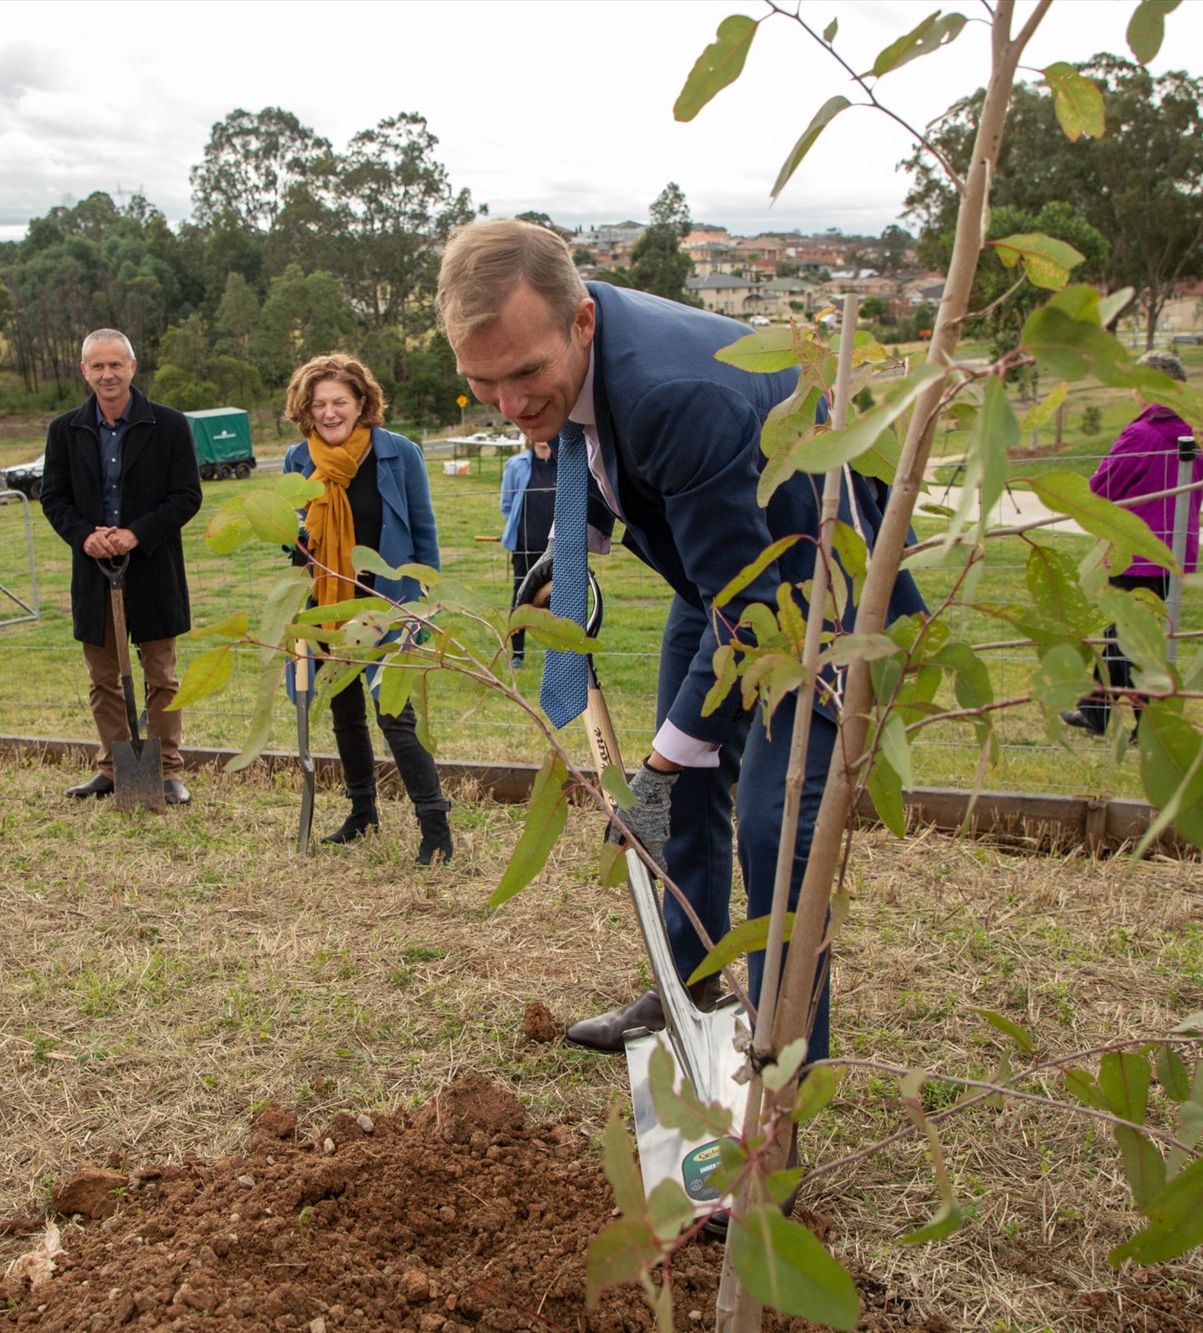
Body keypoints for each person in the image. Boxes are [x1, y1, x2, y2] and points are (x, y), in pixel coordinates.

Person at [436, 219, 926, 1065]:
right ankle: (685, 988)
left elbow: (750, 616)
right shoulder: (567, 345)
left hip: (817, 587)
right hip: (728, 566)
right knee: (690, 765)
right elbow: (579, 446)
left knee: (775, 823)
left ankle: (783, 1068)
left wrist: (653, 772)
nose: (512, 408)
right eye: (483, 387)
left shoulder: (672, 393)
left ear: (581, 322)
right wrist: (569, 558)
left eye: (525, 376)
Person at [281, 353, 453, 866]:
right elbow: (296, 538)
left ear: (362, 403)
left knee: (396, 715)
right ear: (306, 410)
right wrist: (295, 543)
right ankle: (362, 812)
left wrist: (425, 608)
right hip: (325, 607)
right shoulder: (298, 460)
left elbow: (424, 536)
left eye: (340, 401)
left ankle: (435, 828)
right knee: (344, 712)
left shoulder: (398, 454)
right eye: (319, 404)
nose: (330, 412)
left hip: (387, 606)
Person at [42, 329, 203, 803]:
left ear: (133, 367)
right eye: (98, 366)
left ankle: (167, 769)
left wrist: (136, 533)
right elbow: (53, 497)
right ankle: (113, 767)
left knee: (162, 678)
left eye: (116, 364)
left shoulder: (169, 426)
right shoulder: (65, 430)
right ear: (84, 371)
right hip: (95, 574)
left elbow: (187, 497)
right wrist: (84, 535)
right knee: (103, 679)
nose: (107, 374)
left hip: (153, 570)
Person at [1061, 350, 1203, 738]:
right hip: (1173, 552)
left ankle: (1147, 725)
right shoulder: (1194, 435)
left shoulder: (1141, 434)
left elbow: (1100, 488)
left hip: (1135, 553)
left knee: (1127, 640)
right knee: (1130, 636)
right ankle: (1097, 712)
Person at [498, 436, 555, 669]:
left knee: (559, 600)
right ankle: (518, 653)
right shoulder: (516, 464)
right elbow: (507, 505)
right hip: (524, 547)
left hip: (557, 548)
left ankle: (560, 652)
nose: (543, 441)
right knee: (521, 597)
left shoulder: (565, 463)